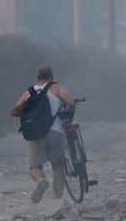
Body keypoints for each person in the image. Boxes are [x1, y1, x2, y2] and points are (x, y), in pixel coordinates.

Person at [9, 65, 76, 203]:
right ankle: (57, 201)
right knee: (58, 168)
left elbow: (13, 112)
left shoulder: (29, 92)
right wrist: (68, 116)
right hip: (55, 133)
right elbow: (70, 102)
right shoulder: (57, 88)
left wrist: (31, 114)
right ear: (51, 76)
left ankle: (41, 181)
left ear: (38, 78)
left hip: (36, 134)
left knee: (34, 168)